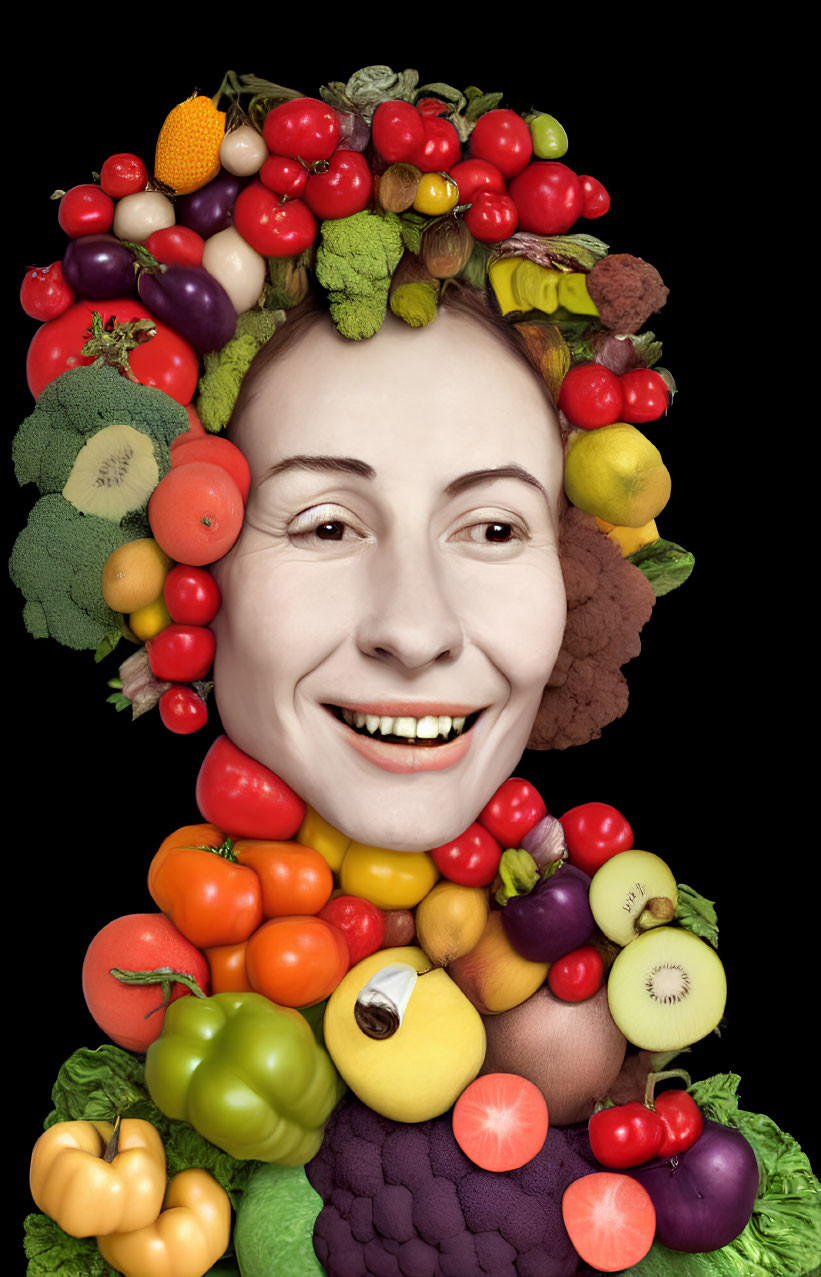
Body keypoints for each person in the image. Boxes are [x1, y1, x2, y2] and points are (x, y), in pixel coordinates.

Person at [11, 55, 819, 1274]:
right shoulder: (161, 995)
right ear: (191, 575)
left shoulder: (606, 975)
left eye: (493, 528)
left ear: (573, 570)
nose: (415, 627)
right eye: (328, 524)